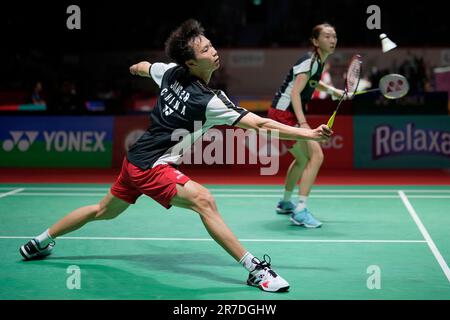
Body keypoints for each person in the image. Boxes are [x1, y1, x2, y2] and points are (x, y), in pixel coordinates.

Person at [19, 19, 333, 292]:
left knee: (103, 210)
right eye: (206, 50)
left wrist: (136, 67)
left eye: (211, 45)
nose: (213, 51)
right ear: (192, 63)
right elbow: (261, 124)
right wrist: (309, 133)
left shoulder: (169, 73)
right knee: (204, 200)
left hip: (134, 161)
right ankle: (255, 270)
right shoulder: (210, 101)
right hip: (152, 166)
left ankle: (39, 241)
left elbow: (145, 67)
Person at [268, 23, 343, 228]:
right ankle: (300, 211)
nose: (332, 40)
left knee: (302, 160)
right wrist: (303, 124)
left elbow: (312, 82)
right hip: (284, 114)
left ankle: (285, 203)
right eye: (327, 36)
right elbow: (295, 93)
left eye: (334, 36)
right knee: (316, 155)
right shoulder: (309, 61)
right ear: (315, 41)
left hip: (282, 112)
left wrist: (333, 91)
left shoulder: (317, 62)